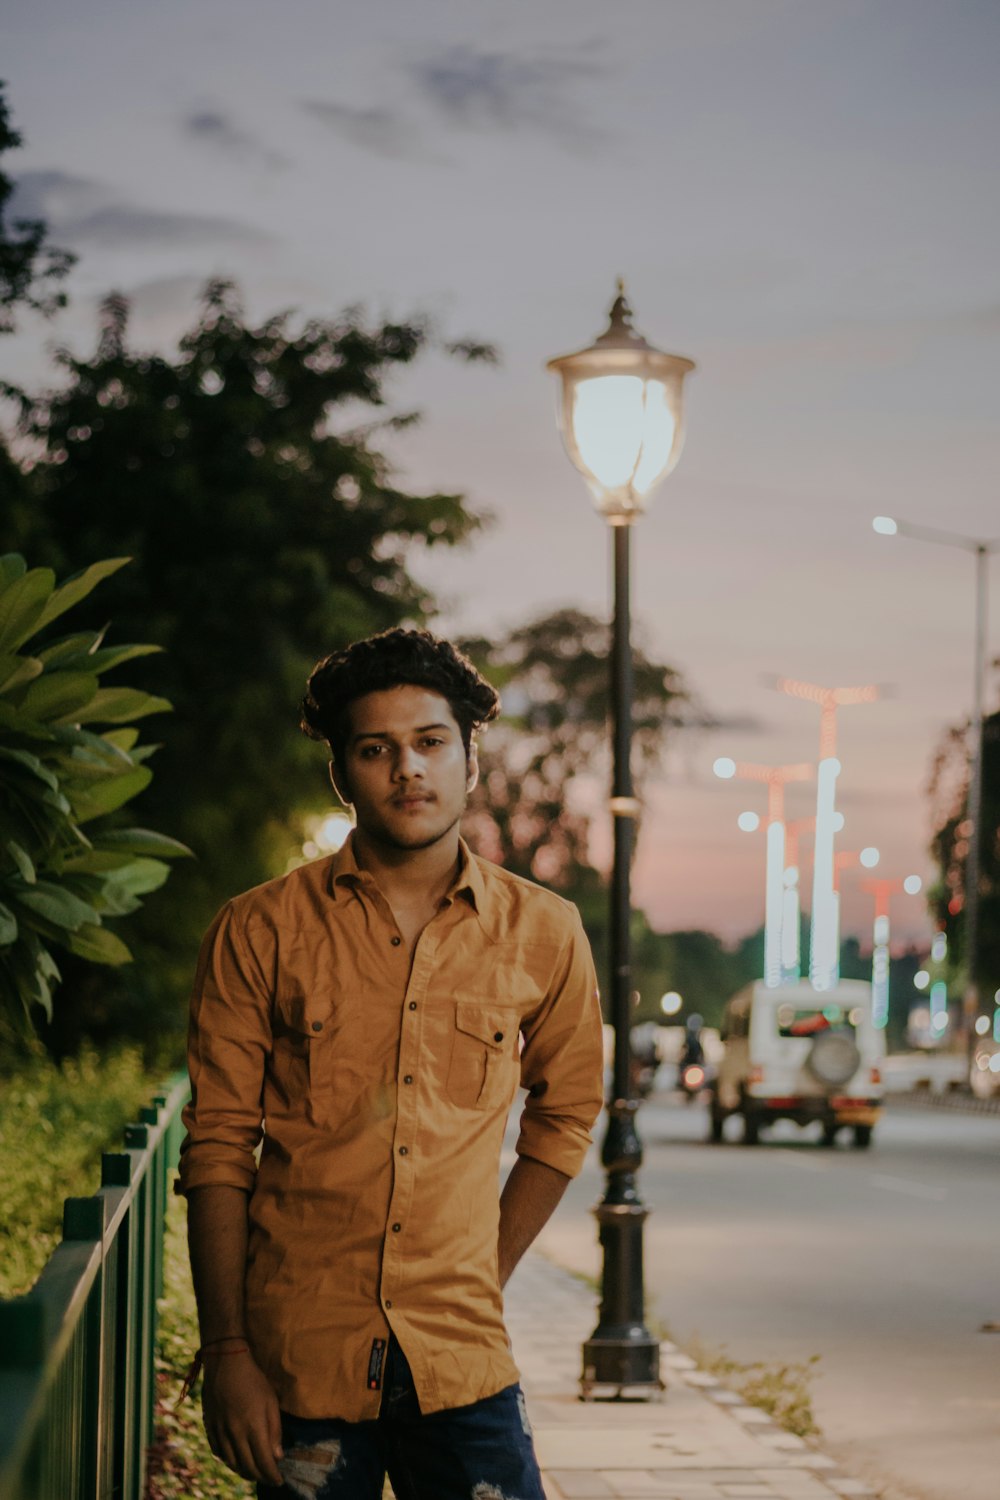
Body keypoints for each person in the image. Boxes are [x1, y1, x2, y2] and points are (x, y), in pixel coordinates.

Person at [176, 627, 605, 1499]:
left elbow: (565, 1117)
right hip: (301, 1361)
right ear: (343, 773)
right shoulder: (259, 930)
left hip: (463, 1360)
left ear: (469, 761)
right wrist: (226, 1353)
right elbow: (219, 1146)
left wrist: (482, 1270)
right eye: (377, 749)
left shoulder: (544, 931)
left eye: (431, 743)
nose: (408, 769)